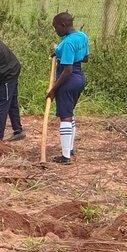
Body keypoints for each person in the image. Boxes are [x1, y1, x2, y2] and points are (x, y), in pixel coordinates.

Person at [48, 12, 89, 164]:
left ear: (64, 25)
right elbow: (85, 58)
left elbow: (67, 70)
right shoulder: (82, 36)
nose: (55, 30)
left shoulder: (67, 43)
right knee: (69, 113)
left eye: (56, 27)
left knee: (65, 116)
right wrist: (58, 52)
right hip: (80, 78)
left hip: (68, 81)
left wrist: (54, 89)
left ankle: (65, 157)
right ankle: (70, 149)